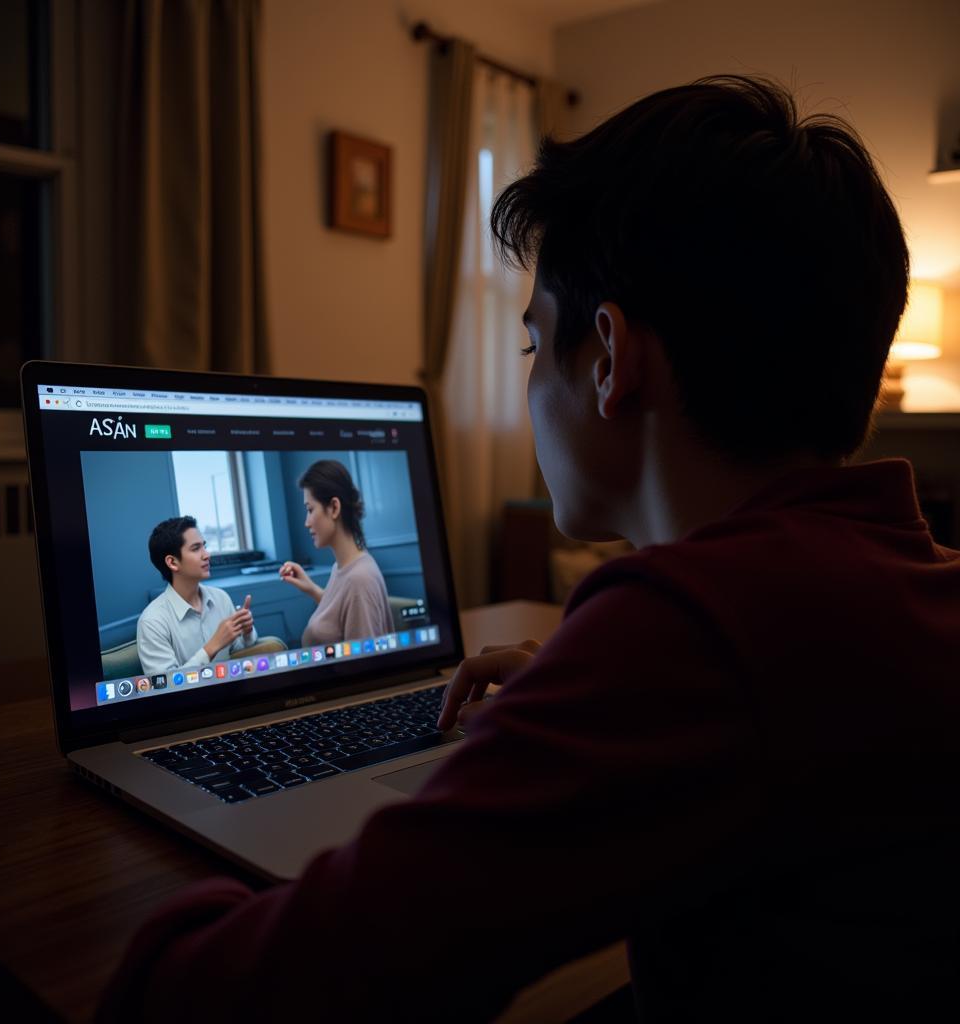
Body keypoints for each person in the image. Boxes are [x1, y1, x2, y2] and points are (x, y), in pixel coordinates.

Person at [100, 76, 960, 1022]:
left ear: (606, 358)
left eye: (529, 348)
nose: (527, 384)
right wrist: (586, 695)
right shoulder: (902, 583)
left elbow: (242, 991)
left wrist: (623, 679)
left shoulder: (686, 637)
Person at [278, 459, 395, 646]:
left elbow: (365, 667)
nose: (306, 522)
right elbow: (340, 618)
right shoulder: (342, 567)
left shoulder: (360, 579)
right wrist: (311, 588)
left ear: (334, 507)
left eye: (310, 510)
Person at [135, 515, 257, 676]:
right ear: (172, 562)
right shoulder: (152, 621)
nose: (207, 555)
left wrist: (247, 632)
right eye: (195, 548)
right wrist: (212, 647)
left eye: (204, 546)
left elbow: (238, 652)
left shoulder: (221, 598)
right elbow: (164, 689)